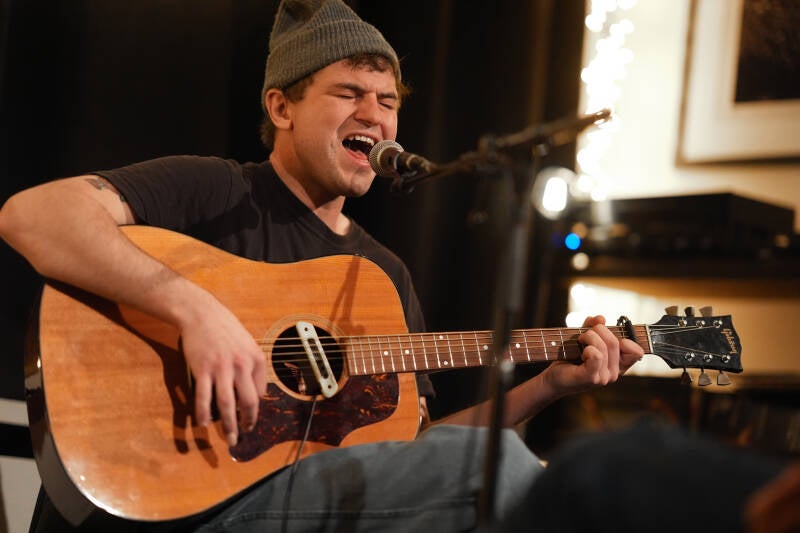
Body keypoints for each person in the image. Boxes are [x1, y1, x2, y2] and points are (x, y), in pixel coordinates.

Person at [1, 1, 792, 532]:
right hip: (167, 500)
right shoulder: (216, 190)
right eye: (350, 92)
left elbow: (417, 451)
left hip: (285, 503)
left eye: (388, 101)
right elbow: (30, 215)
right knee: (521, 479)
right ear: (281, 106)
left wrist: (549, 383)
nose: (375, 116)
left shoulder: (380, 275)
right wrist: (194, 308)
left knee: (503, 470)